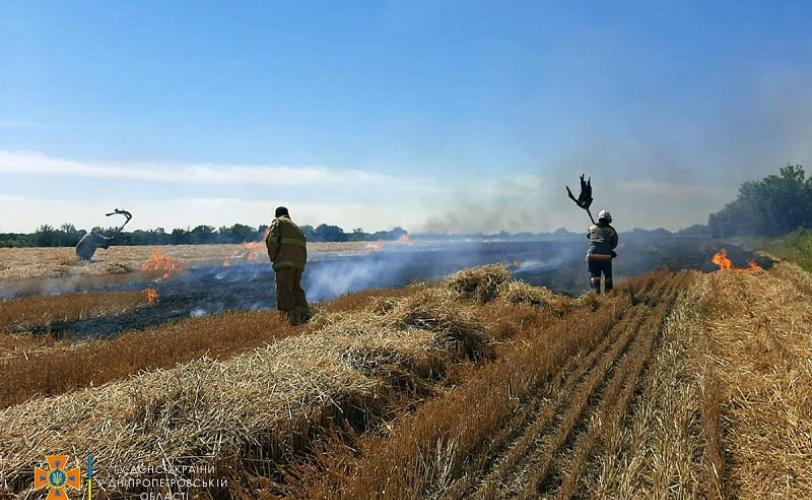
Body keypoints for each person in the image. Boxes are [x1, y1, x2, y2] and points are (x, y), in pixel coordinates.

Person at [266, 206, 310, 325]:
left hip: (284, 264)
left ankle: (289, 321)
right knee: (296, 290)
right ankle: (304, 317)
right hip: (298, 266)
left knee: (284, 291)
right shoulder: (297, 228)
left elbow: (272, 240)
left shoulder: (278, 222)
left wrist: (273, 256)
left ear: (277, 215)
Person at [586, 209, 618, 293]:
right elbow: (614, 243)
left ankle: (595, 295)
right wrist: (609, 249)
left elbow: (589, 236)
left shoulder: (591, 227)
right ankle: (608, 296)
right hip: (605, 257)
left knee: (595, 277)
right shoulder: (611, 230)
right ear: (608, 220)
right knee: (607, 277)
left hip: (591, 255)